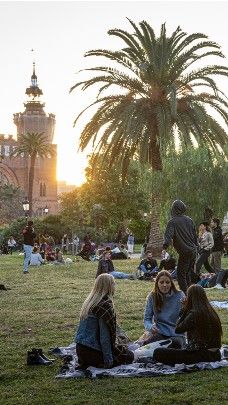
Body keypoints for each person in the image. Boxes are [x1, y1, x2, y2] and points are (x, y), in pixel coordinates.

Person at [75, 273, 134, 369]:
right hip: (92, 351)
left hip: (80, 351)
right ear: (108, 286)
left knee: (122, 350)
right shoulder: (104, 305)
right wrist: (108, 361)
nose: (115, 286)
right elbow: (104, 337)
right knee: (129, 356)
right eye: (114, 284)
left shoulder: (90, 302)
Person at [153, 284, 222, 365]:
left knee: (158, 352)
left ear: (191, 297)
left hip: (203, 355)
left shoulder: (194, 313)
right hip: (216, 354)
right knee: (175, 344)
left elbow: (178, 329)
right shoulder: (211, 311)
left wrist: (184, 308)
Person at [138, 270, 185, 347]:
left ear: (171, 283)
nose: (164, 285)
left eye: (167, 282)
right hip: (160, 332)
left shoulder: (180, 295)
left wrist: (185, 307)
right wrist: (150, 327)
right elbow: (147, 319)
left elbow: (185, 318)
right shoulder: (152, 296)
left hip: (176, 333)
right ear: (157, 283)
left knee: (175, 344)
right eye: (161, 282)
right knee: (147, 346)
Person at [163, 200, 198, 293]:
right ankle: (190, 294)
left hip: (185, 252)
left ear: (174, 209)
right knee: (188, 274)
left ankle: (186, 296)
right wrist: (196, 246)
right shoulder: (190, 220)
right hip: (193, 251)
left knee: (181, 275)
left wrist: (164, 247)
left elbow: (168, 237)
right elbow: (195, 236)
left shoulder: (172, 222)